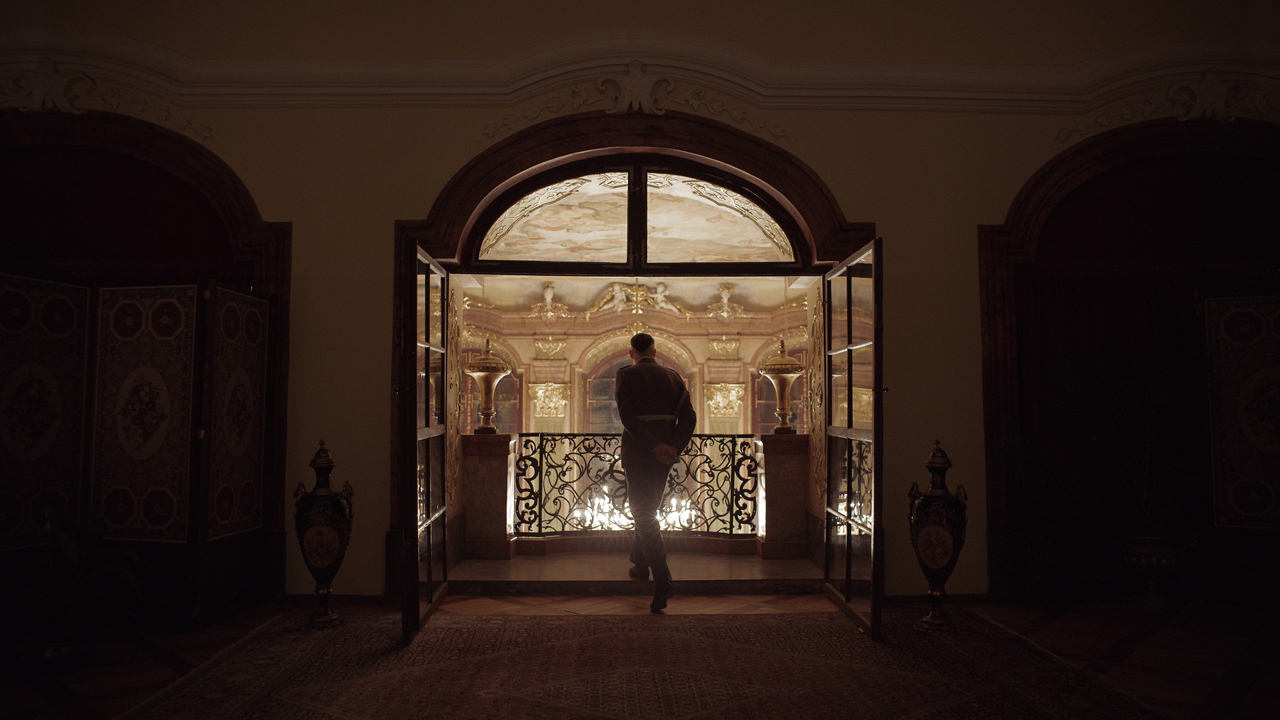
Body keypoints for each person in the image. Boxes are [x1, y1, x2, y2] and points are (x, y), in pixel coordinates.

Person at [614, 332, 696, 612]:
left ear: (631, 353)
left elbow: (627, 418)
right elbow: (689, 417)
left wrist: (652, 446)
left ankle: (663, 580)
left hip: (638, 453)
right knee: (647, 508)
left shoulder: (625, 375)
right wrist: (672, 447)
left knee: (643, 512)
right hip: (664, 457)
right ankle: (639, 563)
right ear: (655, 351)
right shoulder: (674, 377)